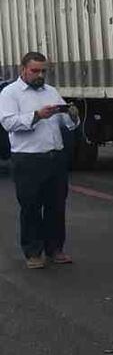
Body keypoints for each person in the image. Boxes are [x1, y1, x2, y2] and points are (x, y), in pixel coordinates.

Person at [0, 51, 80, 268]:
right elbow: (8, 123)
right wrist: (37, 115)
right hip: (28, 159)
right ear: (23, 70)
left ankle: (55, 249)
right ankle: (33, 252)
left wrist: (71, 116)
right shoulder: (10, 93)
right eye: (35, 71)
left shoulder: (51, 91)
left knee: (56, 206)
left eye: (43, 71)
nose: (40, 75)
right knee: (31, 206)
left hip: (54, 157)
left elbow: (67, 123)